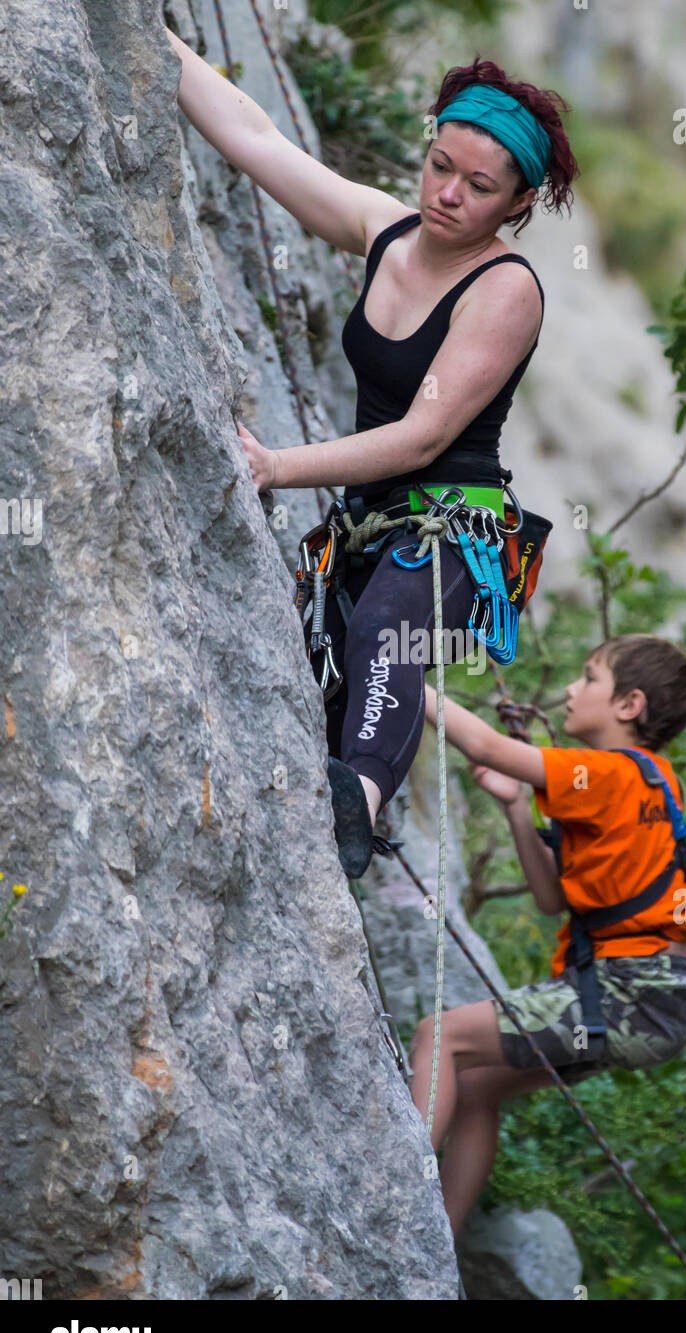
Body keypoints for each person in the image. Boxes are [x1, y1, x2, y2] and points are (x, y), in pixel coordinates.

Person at [165, 32, 579, 874]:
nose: (449, 195)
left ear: (517, 204)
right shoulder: (385, 232)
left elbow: (423, 436)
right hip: (366, 523)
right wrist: (158, 39)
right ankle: (324, 825)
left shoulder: (506, 291)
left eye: (479, 186)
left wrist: (278, 465)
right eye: (440, 166)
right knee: (332, 679)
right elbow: (255, 137)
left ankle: (360, 797)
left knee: (388, 632)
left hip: (453, 531)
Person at [412, 635, 686, 1237]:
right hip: (652, 999)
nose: (572, 688)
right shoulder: (654, 782)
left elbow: (486, 744)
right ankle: (436, 1248)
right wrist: (518, 808)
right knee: (473, 1086)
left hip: (628, 992)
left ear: (629, 705)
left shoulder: (607, 773)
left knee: (436, 1036)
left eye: (589, 677)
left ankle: (390, 1207)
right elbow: (553, 900)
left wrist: (399, 679)